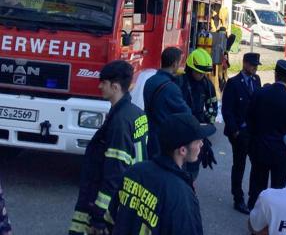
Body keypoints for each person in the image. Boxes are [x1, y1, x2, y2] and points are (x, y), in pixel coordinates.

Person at [69, 61, 148, 235]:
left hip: (112, 204)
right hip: (131, 196)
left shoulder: (119, 122)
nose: (99, 86)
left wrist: (99, 215)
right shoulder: (136, 113)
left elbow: (114, 171)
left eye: (103, 83)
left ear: (115, 86)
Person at [108, 113, 215, 235]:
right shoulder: (182, 197)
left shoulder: (134, 171)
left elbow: (111, 217)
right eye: (197, 141)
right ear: (183, 150)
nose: (202, 144)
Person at [247, 59, 286, 210]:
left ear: (275, 74)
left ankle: (254, 218)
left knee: (257, 187)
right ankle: (273, 221)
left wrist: (251, 145)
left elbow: (250, 120)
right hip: (281, 153)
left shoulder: (260, 94)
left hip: (259, 148)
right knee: (278, 189)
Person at [222, 52, 262, 214]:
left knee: (257, 165)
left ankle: (254, 197)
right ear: (245, 64)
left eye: (256, 65)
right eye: (252, 65)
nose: (254, 68)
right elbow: (227, 110)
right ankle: (238, 198)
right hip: (239, 132)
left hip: (253, 132)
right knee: (239, 166)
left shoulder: (256, 80)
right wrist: (235, 131)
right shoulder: (233, 83)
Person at [143, 47, 191, 158]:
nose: (180, 65)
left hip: (150, 135)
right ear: (174, 64)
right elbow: (186, 112)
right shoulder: (171, 88)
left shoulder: (149, 81)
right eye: (179, 62)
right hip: (164, 138)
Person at [178, 48, 218, 179]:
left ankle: (190, 186)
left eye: (204, 73)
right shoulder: (180, 82)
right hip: (182, 128)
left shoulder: (206, 84)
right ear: (190, 68)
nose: (202, 76)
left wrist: (206, 129)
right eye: (199, 72)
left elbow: (212, 107)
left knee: (193, 166)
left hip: (197, 129)